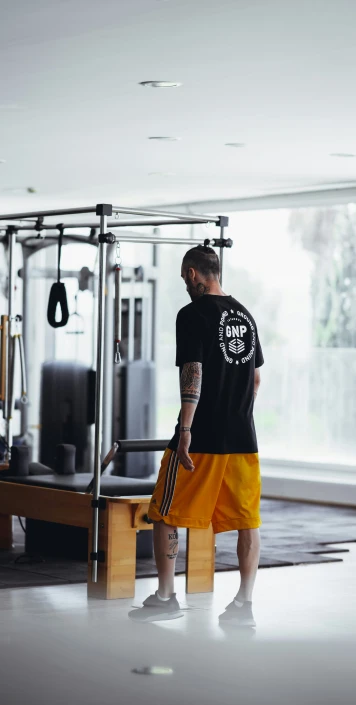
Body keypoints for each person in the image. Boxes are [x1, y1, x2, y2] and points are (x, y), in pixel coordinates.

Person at [135, 244, 263, 627]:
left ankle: (165, 595)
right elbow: (255, 378)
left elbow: (194, 372)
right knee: (247, 520)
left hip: (203, 434)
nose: (184, 285)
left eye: (183, 278)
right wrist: (236, 411)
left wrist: (186, 427)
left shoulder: (192, 314)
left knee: (163, 511)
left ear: (193, 274)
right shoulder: (246, 316)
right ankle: (244, 603)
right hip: (243, 436)